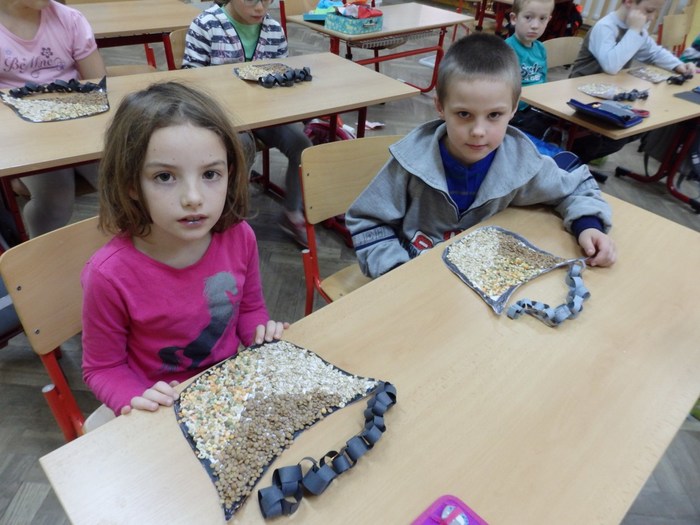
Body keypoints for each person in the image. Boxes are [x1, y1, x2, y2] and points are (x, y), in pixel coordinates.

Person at [81, 82, 289, 415]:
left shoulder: (240, 237)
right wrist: (135, 399)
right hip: (158, 407)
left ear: (229, 174)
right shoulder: (108, 276)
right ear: (131, 184)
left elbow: (250, 311)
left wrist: (261, 336)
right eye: (165, 177)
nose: (193, 197)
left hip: (225, 389)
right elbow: (103, 368)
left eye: (210, 174)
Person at [346, 33, 617, 279]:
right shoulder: (409, 162)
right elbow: (368, 220)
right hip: (415, 278)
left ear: (514, 109)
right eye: (464, 114)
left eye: (494, 115)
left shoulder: (521, 162)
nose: (478, 131)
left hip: (481, 280)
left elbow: (576, 186)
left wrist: (588, 225)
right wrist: (395, 272)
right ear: (440, 106)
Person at [182, 0, 313, 247]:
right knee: (242, 145)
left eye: (267, 0)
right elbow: (190, 83)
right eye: (252, 0)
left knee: (301, 145)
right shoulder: (206, 25)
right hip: (220, 116)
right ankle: (230, 218)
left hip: (264, 112)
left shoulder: (273, 30)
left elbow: (280, 77)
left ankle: (292, 212)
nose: (260, 8)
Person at [0, 0, 106, 237]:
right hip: (24, 132)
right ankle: (39, 247)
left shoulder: (70, 19)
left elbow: (97, 84)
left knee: (119, 181)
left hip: (78, 122)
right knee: (55, 199)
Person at [568, 0, 694, 163]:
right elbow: (611, 66)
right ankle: (573, 157)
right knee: (617, 135)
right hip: (581, 96)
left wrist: (679, 65)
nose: (652, 17)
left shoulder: (637, 30)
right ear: (628, 2)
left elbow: (653, 52)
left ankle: (580, 155)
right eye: (649, 10)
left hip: (607, 97)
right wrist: (634, 30)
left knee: (642, 124)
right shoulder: (606, 27)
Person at [506, 0, 558, 139]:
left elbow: (543, 82)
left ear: (549, 20)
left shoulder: (540, 49)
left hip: (537, 106)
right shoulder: (506, 50)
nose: (535, 26)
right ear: (514, 19)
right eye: (528, 17)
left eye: (542, 19)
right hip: (516, 112)